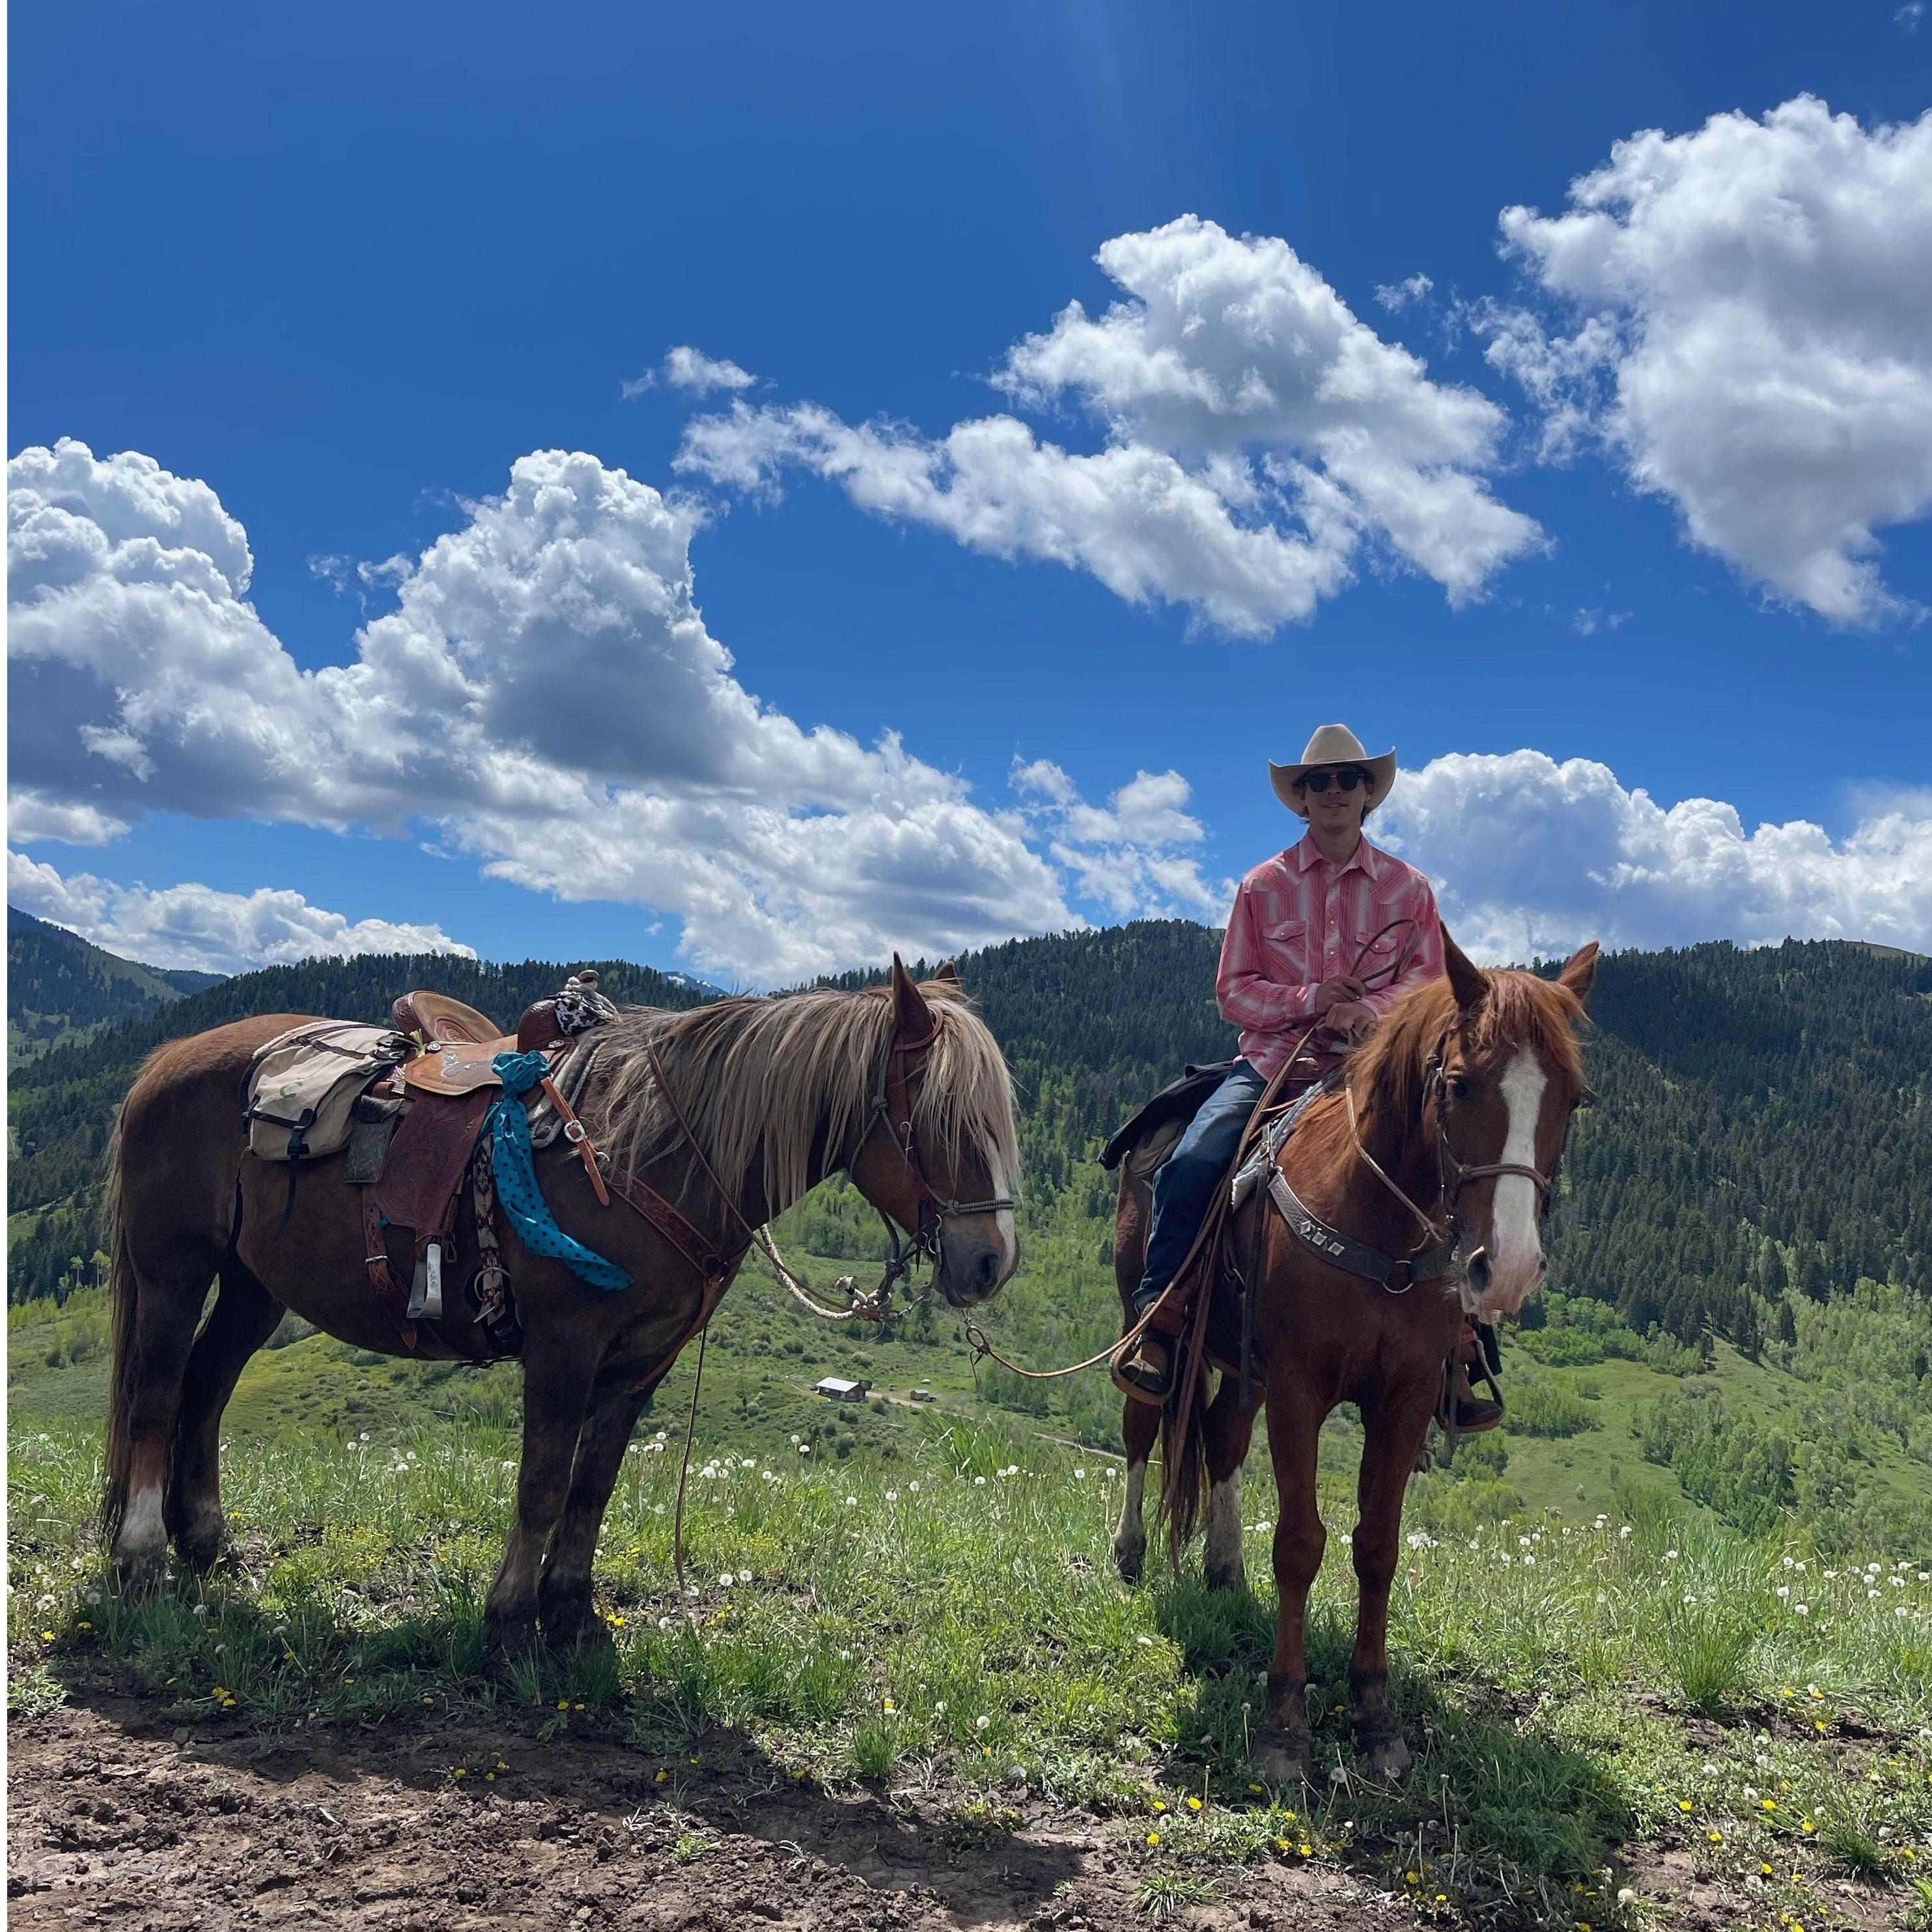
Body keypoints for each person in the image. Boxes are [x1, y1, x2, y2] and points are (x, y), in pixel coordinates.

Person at [1113, 723, 1500, 1427]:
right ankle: (1161, 1323)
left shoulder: (1409, 891)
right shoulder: (1263, 887)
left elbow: (1429, 990)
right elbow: (1234, 990)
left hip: (1373, 1073)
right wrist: (1307, 1001)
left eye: (1347, 779)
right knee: (1195, 1157)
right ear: (1301, 796)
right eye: (1318, 782)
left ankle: (1458, 1346)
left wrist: (1368, 1017)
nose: (1333, 792)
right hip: (1272, 1067)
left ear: (1366, 794)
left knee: (1454, 1165)